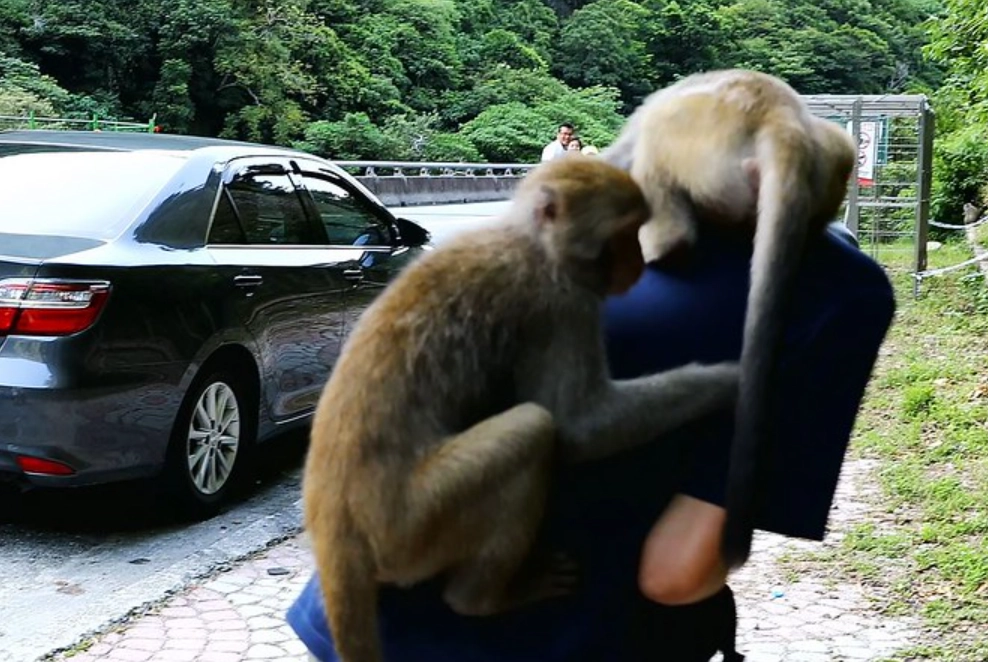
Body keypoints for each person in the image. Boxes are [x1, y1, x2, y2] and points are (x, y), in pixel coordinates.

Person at [288, 216, 896, 662]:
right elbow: (676, 573)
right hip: (503, 636)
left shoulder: (596, 230)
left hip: (355, 598)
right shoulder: (835, 301)